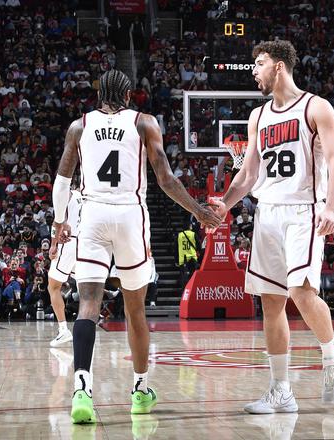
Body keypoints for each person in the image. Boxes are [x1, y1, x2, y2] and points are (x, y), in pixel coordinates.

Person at [51, 69, 220, 424]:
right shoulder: (144, 123)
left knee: (88, 304)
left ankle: (82, 389)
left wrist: (60, 222)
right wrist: (198, 211)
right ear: (128, 96)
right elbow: (166, 179)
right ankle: (140, 390)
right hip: (130, 215)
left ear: (100, 95)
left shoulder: (79, 126)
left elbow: (62, 182)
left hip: (93, 215)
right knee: (135, 309)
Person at [208, 40, 334, 414]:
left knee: (301, 292)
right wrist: (225, 203)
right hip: (267, 213)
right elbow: (248, 173)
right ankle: (280, 391)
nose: (254, 71)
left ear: (279, 66)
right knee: (271, 302)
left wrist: (331, 207)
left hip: (304, 211)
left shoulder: (316, 107)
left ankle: (332, 356)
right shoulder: (258, 116)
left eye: (259, 63)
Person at [48, 189, 82, 347]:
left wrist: (53, 244)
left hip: (68, 242)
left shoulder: (63, 192)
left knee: (53, 287)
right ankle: (86, 326)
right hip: (85, 243)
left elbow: (59, 222)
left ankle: (63, 330)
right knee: (85, 287)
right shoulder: (83, 194)